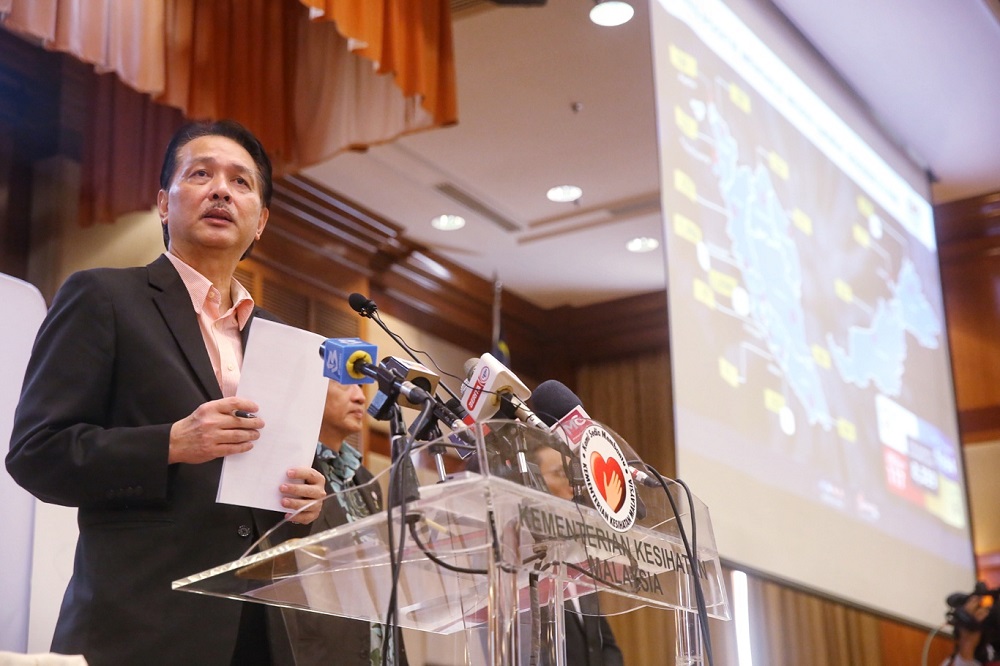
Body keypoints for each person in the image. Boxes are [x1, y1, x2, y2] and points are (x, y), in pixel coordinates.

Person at [5, 119, 328, 666]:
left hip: (260, 633)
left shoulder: (285, 342)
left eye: (242, 182)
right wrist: (172, 443)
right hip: (139, 628)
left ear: (261, 222)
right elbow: (37, 454)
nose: (222, 189)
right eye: (201, 174)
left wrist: (307, 501)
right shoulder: (104, 297)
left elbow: (277, 488)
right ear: (162, 202)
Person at [282, 379, 407, 666]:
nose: (360, 397)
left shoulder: (365, 479)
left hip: (381, 649)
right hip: (323, 650)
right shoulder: (293, 469)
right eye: (345, 385)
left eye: (363, 387)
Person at [528, 442, 624, 666]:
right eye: (561, 474)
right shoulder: (526, 562)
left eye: (575, 476)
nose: (574, 486)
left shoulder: (579, 556)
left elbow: (606, 644)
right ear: (533, 482)